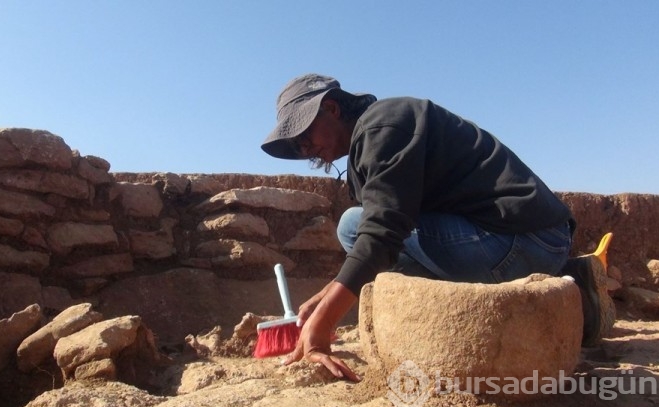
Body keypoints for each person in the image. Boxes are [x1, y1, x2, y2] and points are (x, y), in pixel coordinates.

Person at [260, 73, 614, 381]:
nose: (305, 149)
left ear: (332, 109)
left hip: (524, 239)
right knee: (359, 228)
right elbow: (389, 228)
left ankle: (551, 276)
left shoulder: (383, 125)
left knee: (353, 226)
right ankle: (574, 283)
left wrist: (322, 325)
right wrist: (323, 298)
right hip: (533, 241)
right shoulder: (367, 145)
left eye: (304, 134)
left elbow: (383, 232)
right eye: (297, 145)